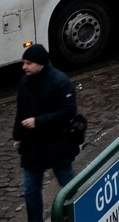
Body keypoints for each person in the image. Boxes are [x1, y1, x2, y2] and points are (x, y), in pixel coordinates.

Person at [13, 45, 77, 222]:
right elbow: (21, 111)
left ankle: (77, 213)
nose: (24, 67)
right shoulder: (25, 82)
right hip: (32, 146)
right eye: (24, 63)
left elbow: (68, 112)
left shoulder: (60, 82)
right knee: (31, 189)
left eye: (28, 63)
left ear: (40, 64)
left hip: (56, 143)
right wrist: (17, 136)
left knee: (68, 185)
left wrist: (38, 122)